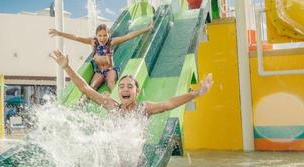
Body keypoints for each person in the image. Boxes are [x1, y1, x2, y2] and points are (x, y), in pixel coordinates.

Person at [50, 49, 213, 116]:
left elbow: (168, 104)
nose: (124, 89)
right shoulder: (112, 106)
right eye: (121, 86)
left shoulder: (144, 109)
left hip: (132, 159)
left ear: (137, 91)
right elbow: (86, 89)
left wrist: (197, 93)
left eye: (129, 86)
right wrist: (67, 67)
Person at [49, 21, 153, 91]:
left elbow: (129, 36)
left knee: (111, 83)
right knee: (91, 87)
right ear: (96, 35)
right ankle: (80, 105)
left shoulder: (111, 42)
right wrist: (60, 33)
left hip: (110, 70)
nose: (102, 38)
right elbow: (76, 37)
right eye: (100, 35)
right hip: (99, 71)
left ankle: (119, 101)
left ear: (109, 35)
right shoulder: (93, 42)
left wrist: (146, 29)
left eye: (105, 35)